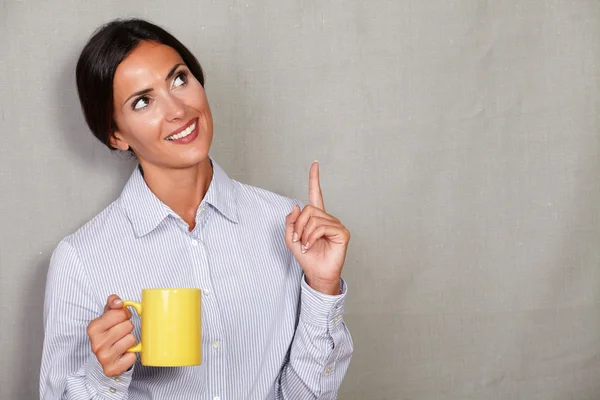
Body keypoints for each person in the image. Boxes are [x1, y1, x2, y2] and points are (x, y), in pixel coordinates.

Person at [39, 18, 353, 400]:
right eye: (142, 101)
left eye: (179, 79)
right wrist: (103, 377)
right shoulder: (81, 260)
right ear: (116, 134)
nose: (177, 109)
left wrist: (323, 287)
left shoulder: (287, 225)